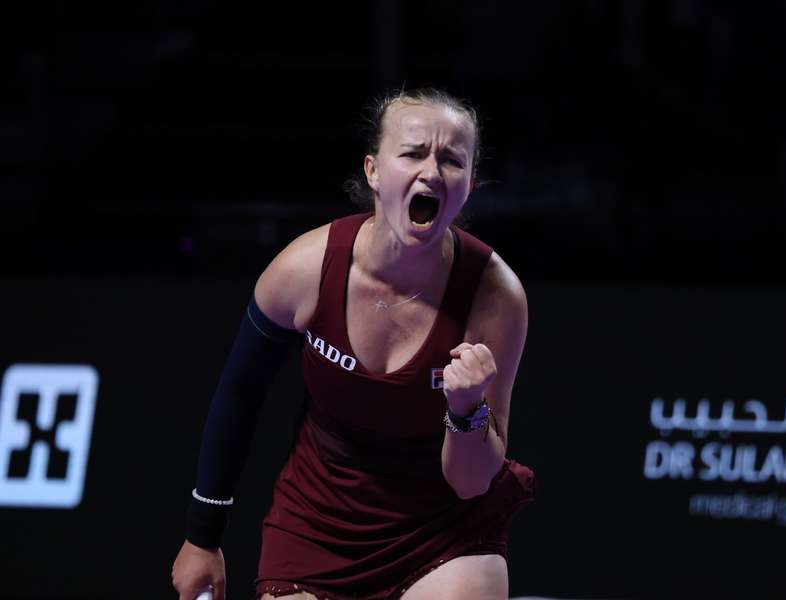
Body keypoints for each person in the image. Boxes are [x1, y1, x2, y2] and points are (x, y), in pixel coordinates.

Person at [171, 88, 536, 600]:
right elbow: (240, 396)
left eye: (451, 160)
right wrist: (201, 538)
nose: (431, 171)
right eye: (412, 153)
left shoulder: (495, 297)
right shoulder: (303, 270)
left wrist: (466, 407)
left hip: (443, 531)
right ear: (373, 171)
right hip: (319, 524)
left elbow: (472, 482)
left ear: (469, 185)